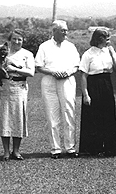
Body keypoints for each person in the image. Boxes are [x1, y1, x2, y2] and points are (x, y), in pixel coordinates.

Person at [0, 29, 35, 161]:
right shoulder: (0, 53)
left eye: (20, 39)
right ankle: (6, 151)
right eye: (14, 39)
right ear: (10, 40)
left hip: (19, 88)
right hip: (3, 88)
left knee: (18, 119)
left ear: (23, 41)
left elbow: (31, 73)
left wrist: (14, 69)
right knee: (4, 119)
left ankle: (16, 151)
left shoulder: (27, 54)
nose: (17, 42)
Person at [35, 20, 81, 159]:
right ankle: (55, 148)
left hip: (67, 81)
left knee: (69, 113)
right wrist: (52, 72)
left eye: (66, 30)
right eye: (62, 30)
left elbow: (76, 65)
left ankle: (70, 147)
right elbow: (38, 66)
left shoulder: (71, 46)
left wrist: (68, 72)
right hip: (49, 81)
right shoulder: (44, 46)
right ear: (54, 31)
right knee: (52, 115)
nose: (65, 33)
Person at [78, 28, 116, 157]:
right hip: (93, 84)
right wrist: (86, 94)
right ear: (99, 39)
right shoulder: (88, 54)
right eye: (107, 39)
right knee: (94, 117)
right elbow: (83, 76)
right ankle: (94, 149)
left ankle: (113, 148)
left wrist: (111, 53)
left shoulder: (109, 51)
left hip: (107, 83)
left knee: (110, 116)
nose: (109, 41)